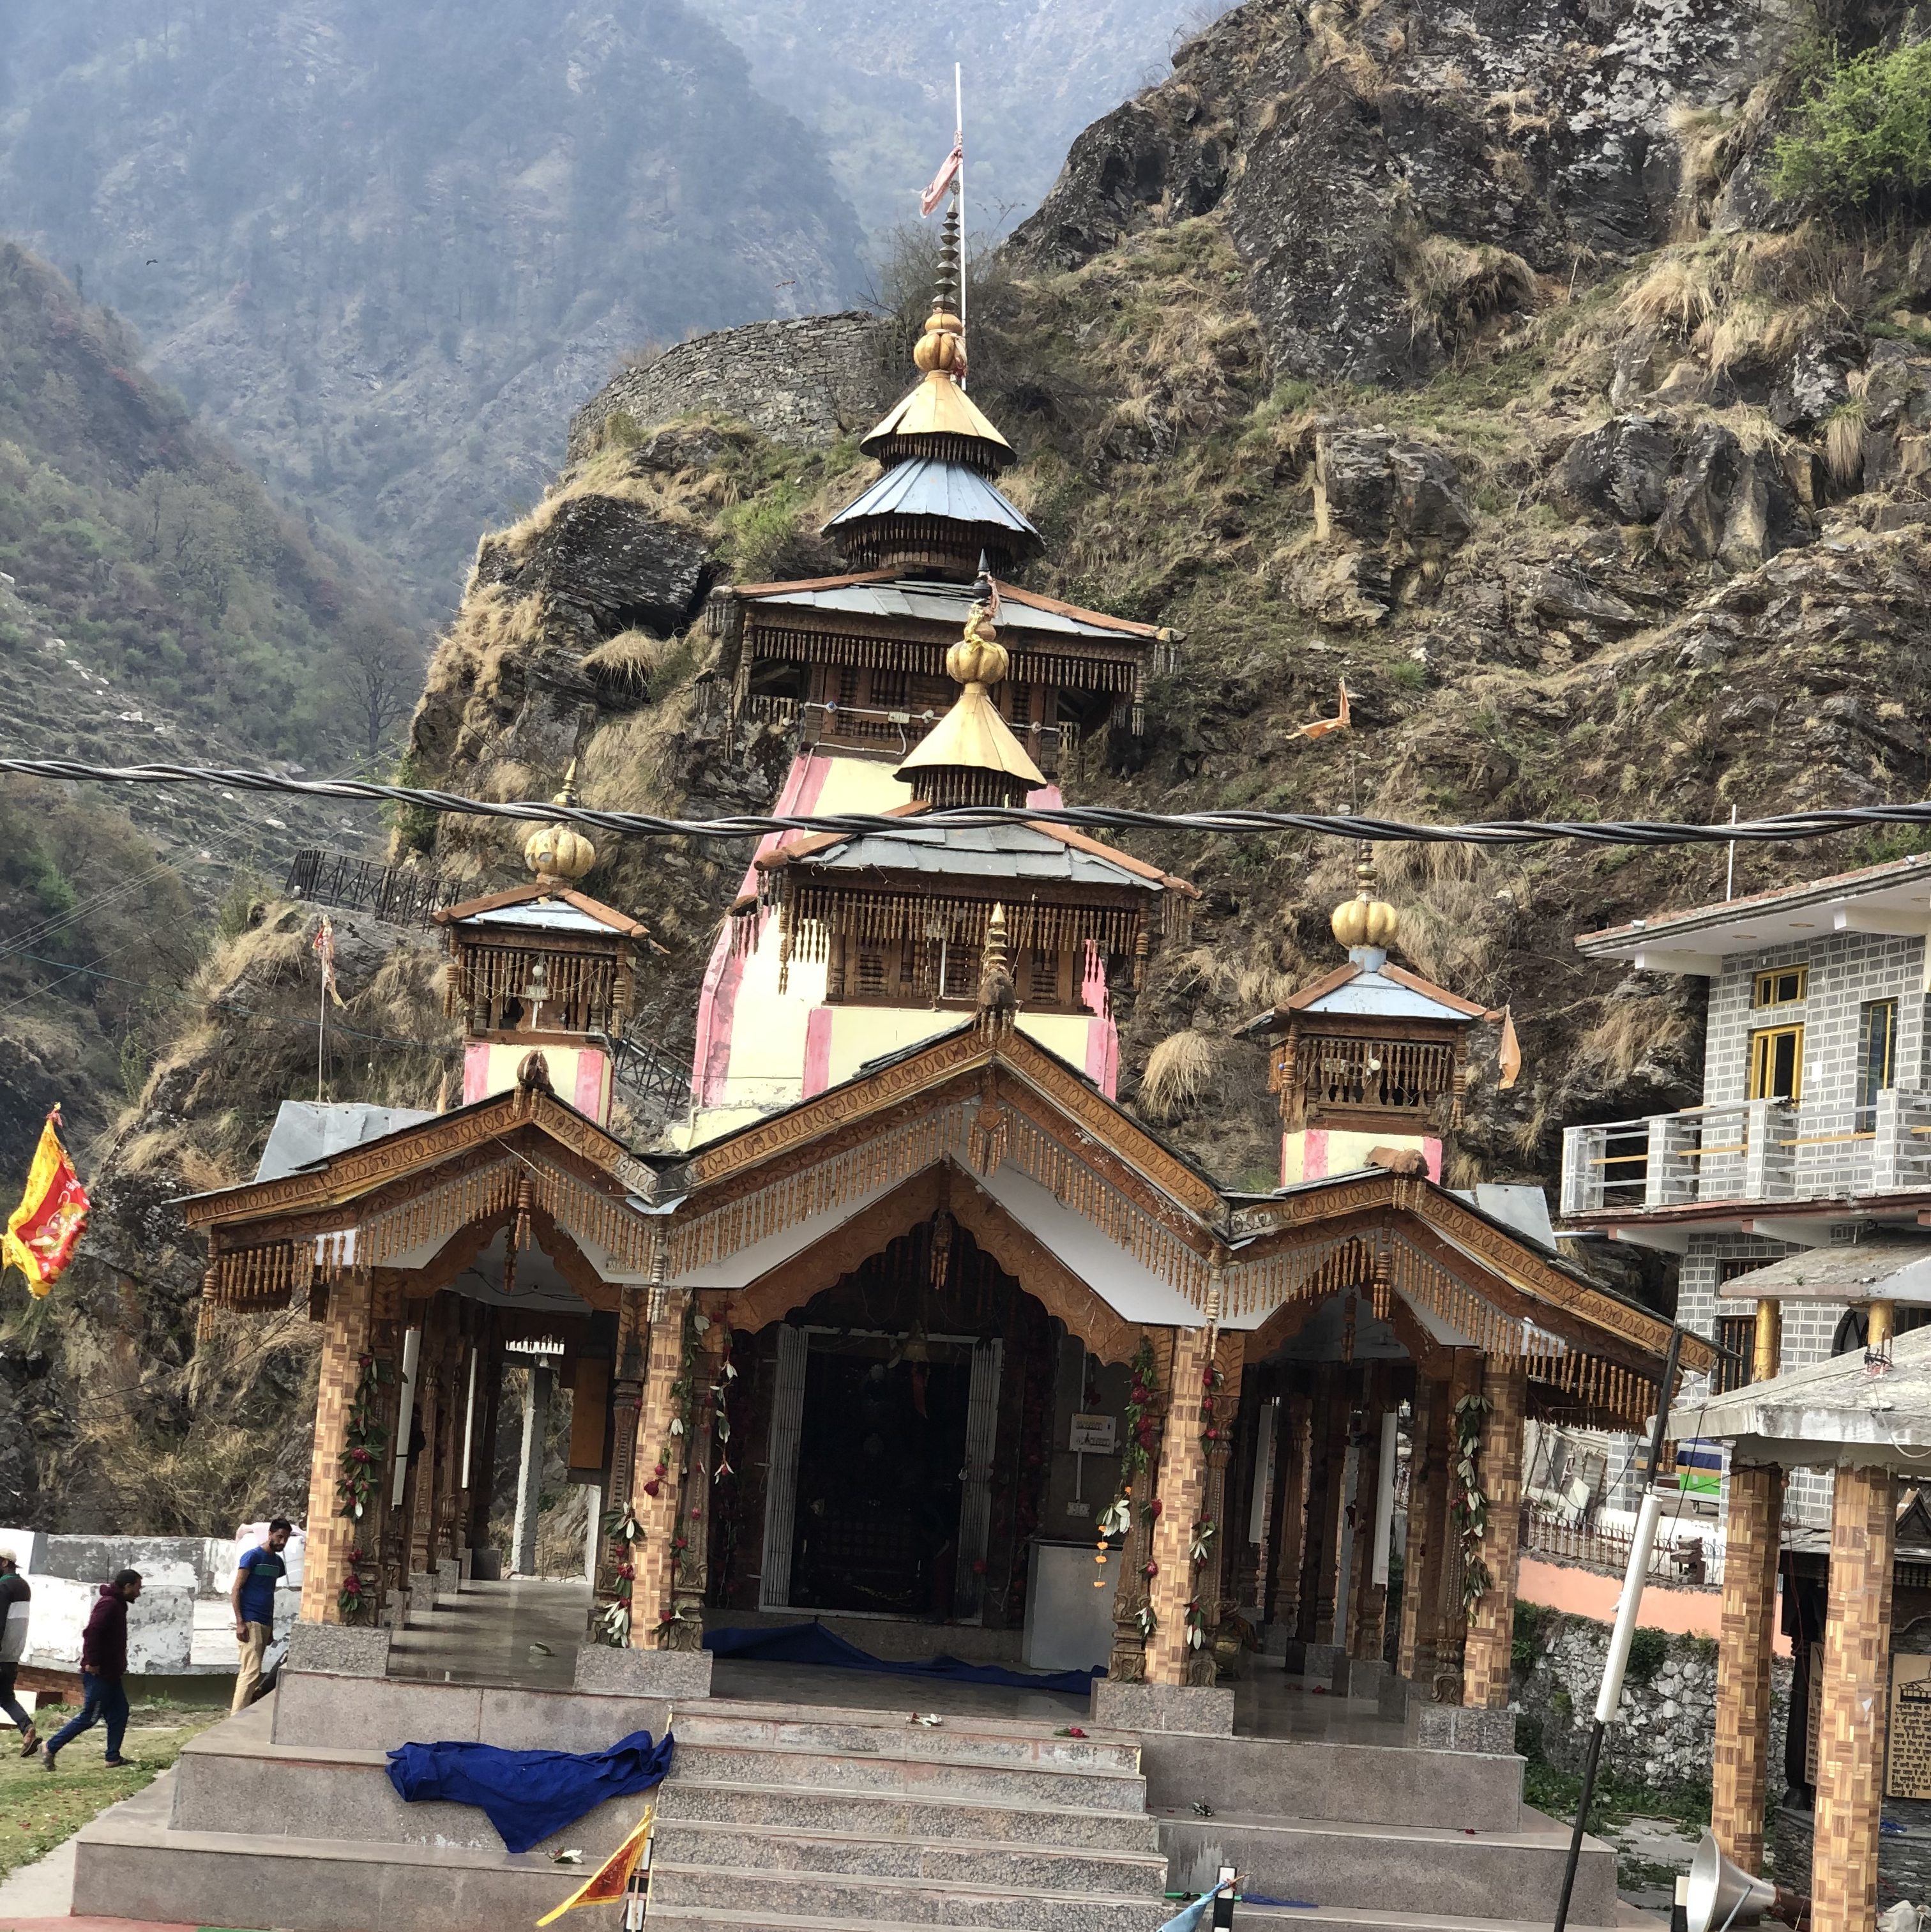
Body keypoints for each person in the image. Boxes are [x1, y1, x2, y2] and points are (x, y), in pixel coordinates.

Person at [43, 1568, 141, 1772]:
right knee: (90, 1716)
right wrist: (93, 1662)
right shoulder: (109, 1604)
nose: (139, 1594)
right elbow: (92, 1633)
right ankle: (51, 1746)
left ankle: (113, 1757)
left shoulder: (118, 1604)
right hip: (99, 1674)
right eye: (137, 1589)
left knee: (120, 1713)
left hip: (111, 1674)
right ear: (127, 1586)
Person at [230, 1519, 292, 1714]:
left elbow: (269, 1593)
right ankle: (236, 1717)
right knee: (250, 1671)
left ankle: (244, 1711)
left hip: (265, 1622)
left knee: (254, 1671)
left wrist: (271, 1628)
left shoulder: (277, 1563)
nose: (282, 1542)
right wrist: (240, 1622)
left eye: (286, 1539)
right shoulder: (253, 1556)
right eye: (280, 1536)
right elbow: (236, 1589)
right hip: (250, 1620)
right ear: (270, 1534)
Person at [0, 1548, 36, 1756]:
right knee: (6, 1698)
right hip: (13, 1654)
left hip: (1, 1652)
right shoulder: (23, 1586)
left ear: (5, 1563)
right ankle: (26, 1727)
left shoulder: (3, 1586)